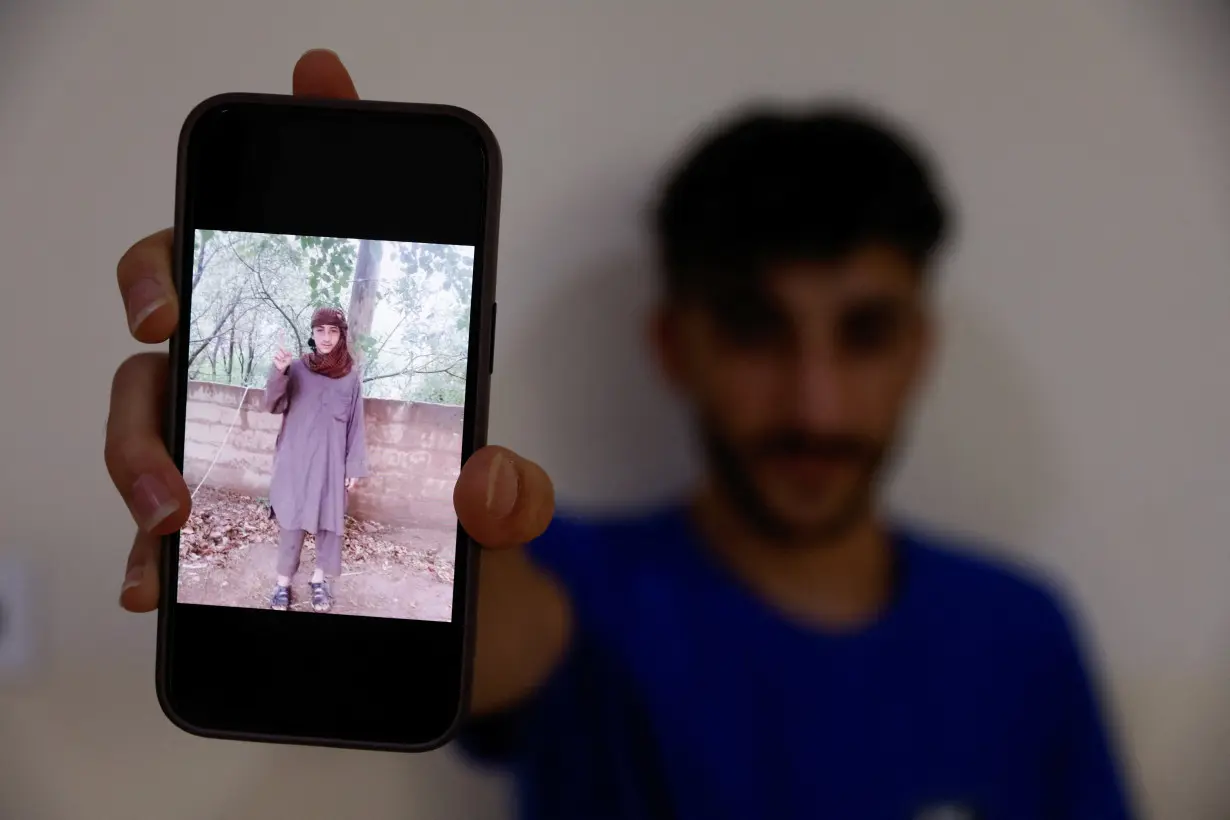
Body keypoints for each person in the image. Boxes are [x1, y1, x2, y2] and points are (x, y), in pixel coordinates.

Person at [106, 51, 1134, 818]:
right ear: (674, 345)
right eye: (753, 328)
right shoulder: (572, 583)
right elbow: (493, 631)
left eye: (863, 334)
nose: (816, 404)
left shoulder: (1025, 637)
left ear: (919, 349)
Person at [264, 306, 368, 613]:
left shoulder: (350, 378)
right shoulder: (296, 368)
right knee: (292, 523)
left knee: (329, 524)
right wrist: (279, 372)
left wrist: (354, 467)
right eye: (320, 330)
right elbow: (272, 404)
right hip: (296, 463)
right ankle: (283, 585)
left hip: (332, 465)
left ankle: (319, 581)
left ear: (341, 335)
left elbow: (356, 425)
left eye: (333, 331)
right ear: (312, 333)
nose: (326, 337)